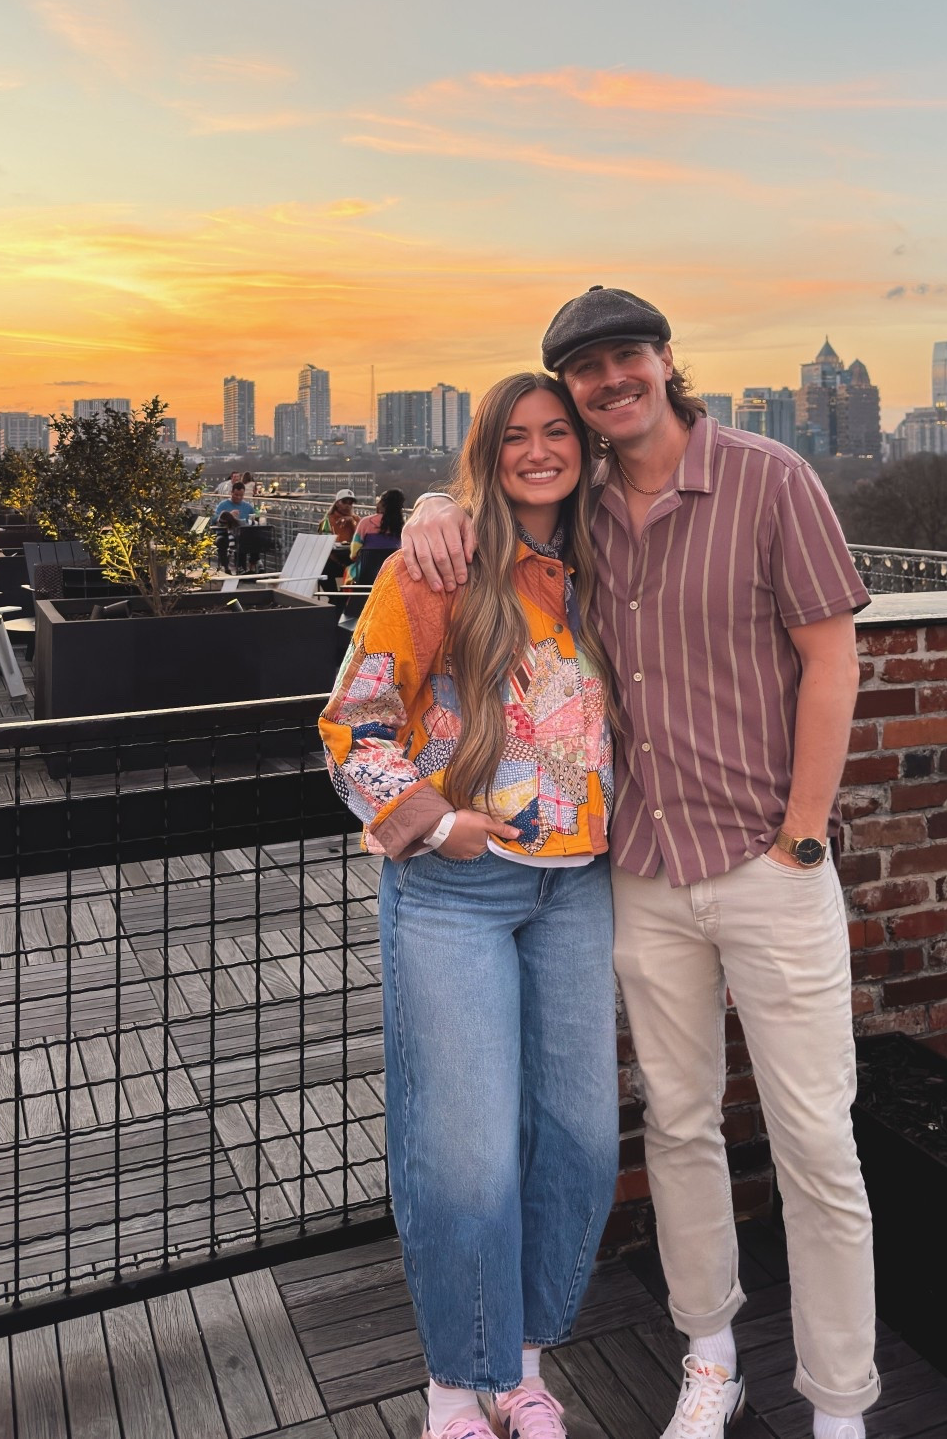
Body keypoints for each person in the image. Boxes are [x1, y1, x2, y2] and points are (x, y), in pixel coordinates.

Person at [405, 289, 878, 1439]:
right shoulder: (580, 512)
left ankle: (840, 1402)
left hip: (771, 863)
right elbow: (488, 508)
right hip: (645, 873)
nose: (609, 381)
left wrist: (803, 832)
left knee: (815, 1141)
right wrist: (428, 506)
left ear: (665, 362)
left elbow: (833, 661)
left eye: (627, 357)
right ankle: (709, 1355)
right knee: (677, 1126)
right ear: (567, 393)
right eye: (585, 371)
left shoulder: (773, 479)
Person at [320, 374, 619, 1439]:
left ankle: (521, 1367)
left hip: (580, 886)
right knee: (466, 1148)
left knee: (580, 1138)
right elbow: (352, 726)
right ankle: (457, 1384)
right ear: (486, 454)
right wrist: (435, 823)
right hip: (455, 888)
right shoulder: (433, 564)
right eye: (516, 438)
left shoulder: (607, 566)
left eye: (559, 433)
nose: (540, 452)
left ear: (585, 446)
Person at [347, 488, 404, 587]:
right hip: (392, 575)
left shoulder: (365, 522)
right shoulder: (402, 526)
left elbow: (354, 552)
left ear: (382, 504)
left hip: (366, 575)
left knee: (348, 571)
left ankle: (343, 600)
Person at [211, 479, 257, 568]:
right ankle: (225, 567)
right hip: (225, 533)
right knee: (221, 541)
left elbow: (253, 519)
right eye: (236, 495)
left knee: (255, 540)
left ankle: (249, 567)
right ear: (231, 493)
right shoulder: (223, 505)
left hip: (242, 534)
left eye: (241, 495)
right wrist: (228, 516)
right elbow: (214, 520)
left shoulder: (248, 507)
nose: (238, 497)